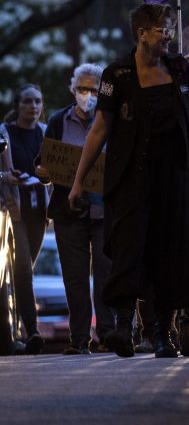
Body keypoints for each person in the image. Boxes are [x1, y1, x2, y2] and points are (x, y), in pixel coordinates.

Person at [68, 2, 189, 359]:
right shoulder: (116, 74)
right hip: (131, 177)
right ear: (141, 33)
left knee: (169, 253)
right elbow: (100, 128)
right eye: (162, 29)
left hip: (173, 178)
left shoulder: (178, 68)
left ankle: (162, 334)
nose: (168, 36)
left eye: (170, 29)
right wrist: (78, 181)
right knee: (128, 249)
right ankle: (121, 327)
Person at [35, 64, 115, 354]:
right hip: (69, 212)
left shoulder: (111, 120)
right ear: (73, 89)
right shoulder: (58, 121)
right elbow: (42, 162)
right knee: (75, 277)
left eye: (93, 89)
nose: (88, 94)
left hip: (104, 210)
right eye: (82, 88)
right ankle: (79, 339)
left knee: (106, 274)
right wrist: (43, 173)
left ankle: (107, 334)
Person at [0, 83, 50, 354]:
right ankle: (32, 331)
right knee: (23, 271)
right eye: (28, 101)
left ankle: (17, 331)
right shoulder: (4, 133)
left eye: (38, 102)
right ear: (17, 106)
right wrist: (6, 178)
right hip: (13, 210)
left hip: (39, 212)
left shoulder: (45, 133)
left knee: (23, 272)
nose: (33, 106)